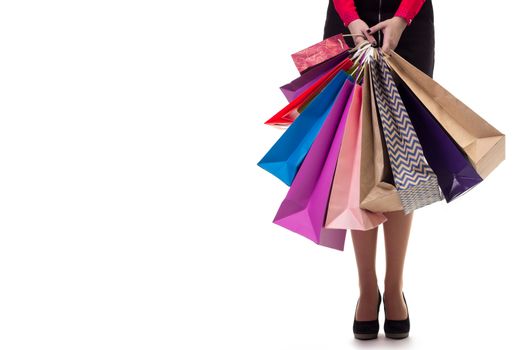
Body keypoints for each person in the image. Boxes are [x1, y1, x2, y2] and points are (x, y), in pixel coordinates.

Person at [322, 0, 435, 340]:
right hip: (346, 23)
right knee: (356, 154)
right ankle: (367, 286)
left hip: (410, 25)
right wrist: (351, 17)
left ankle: (394, 283)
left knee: (404, 155)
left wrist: (403, 17)